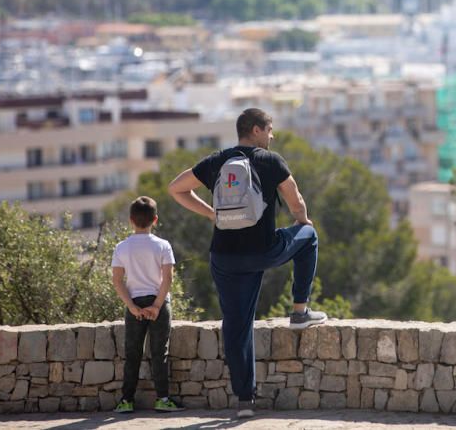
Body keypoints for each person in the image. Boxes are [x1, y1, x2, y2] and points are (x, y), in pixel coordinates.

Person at [168, 107, 325, 419]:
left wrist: (211, 214)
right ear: (255, 130)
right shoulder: (270, 160)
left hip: (224, 256)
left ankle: (244, 402)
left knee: (237, 326)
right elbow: (296, 200)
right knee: (309, 236)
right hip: (263, 250)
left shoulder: (217, 160)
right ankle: (299, 311)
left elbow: (176, 188)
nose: (272, 136)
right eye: (269, 130)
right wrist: (301, 222)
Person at [111, 196, 184, 414]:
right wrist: (157, 306)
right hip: (159, 302)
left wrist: (132, 307)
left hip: (134, 303)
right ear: (155, 220)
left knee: (132, 353)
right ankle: (162, 399)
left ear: (131, 220)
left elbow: (117, 281)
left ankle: (126, 401)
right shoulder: (163, 245)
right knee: (159, 353)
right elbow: (168, 279)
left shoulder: (121, 247)